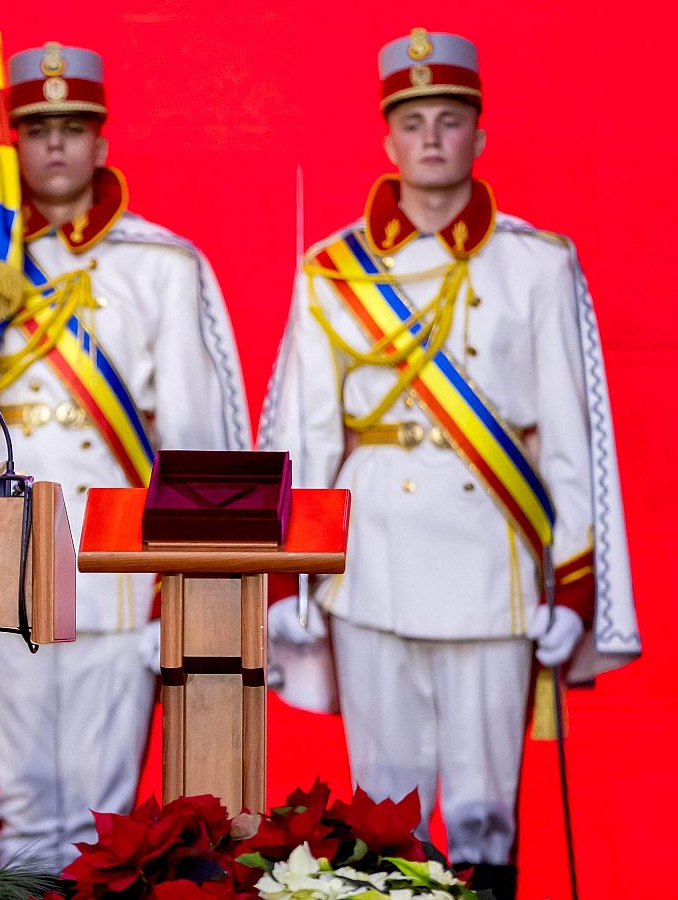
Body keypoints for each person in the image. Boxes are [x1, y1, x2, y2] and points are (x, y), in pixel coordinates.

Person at [258, 29, 639, 897]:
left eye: (451, 119)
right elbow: (309, 439)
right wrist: (294, 584)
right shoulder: (331, 270)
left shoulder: (538, 264)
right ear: (388, 140)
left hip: (492, 566)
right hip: (373, 562)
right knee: (383, 808)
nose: (432, 137)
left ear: (478, 135)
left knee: (482, 811)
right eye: (414, 120)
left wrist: (573, 587)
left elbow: (572, 441)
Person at [0, 43, 250, 869]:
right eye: (37, 128)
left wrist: (182, 578)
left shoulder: (162, 264)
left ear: (101, 142)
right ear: (10, 145)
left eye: (73, 126)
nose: (54, 144)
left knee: (107, 819)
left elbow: (200, 441)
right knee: (18, 807)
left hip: (116, 570)